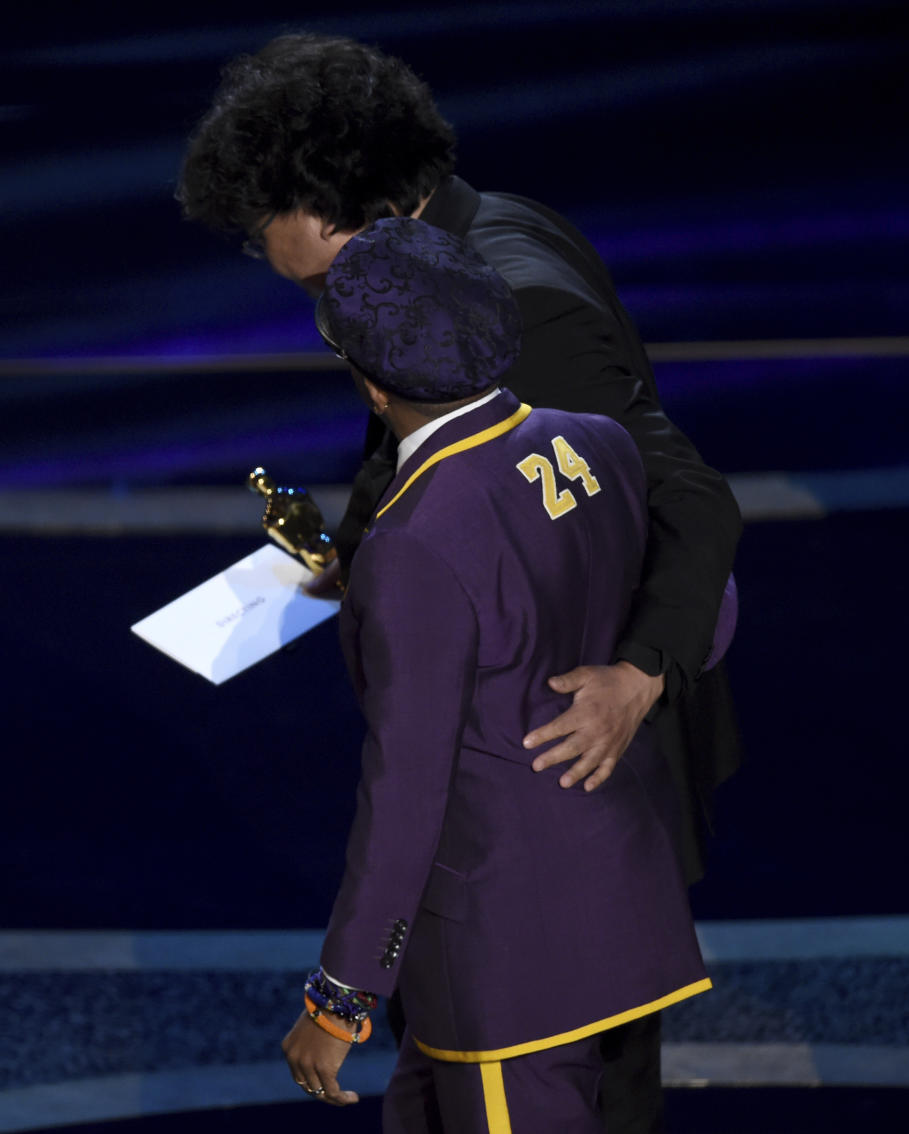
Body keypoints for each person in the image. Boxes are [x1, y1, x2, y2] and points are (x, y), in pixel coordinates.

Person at [177, 34, 741, 1131]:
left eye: (322, 286)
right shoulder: (443, 273)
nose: (324, 320)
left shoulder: (515, 308)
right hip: (550, 820)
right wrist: (357, 564)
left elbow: (693, 506)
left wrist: (640, 672)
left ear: (378, 219)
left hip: (558, 805)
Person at [280, 215, 714, 1132]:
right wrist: (638, 674)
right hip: (614, 901)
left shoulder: (412, 545)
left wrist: (340, 999)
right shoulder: (599, 441)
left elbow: (406, 795)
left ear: (369, 383)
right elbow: (713, 610)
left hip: (507, 965)